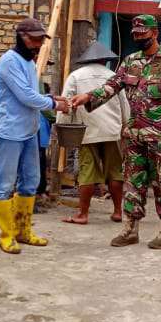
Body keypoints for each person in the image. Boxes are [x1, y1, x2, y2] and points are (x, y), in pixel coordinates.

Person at [71, 14, 161, 250]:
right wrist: (87, 97)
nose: (137, 38)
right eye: (134, 34)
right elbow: (112, 86)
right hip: (134, 136)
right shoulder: (130, 61)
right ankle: (130, 229)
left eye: (142, 34)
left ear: (154, 33)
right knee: (133, 183)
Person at [0, 18, 70, 254]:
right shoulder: (9, 62)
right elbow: (26, 96)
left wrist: (53, 98)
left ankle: (23, 230)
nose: (38, 44)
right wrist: (55, 105)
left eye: (40, 40)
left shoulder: (28, 62)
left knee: (31, 182)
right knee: (4, 185)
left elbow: (34, 93)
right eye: (34, 39)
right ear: (21, 37)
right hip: (9, 132)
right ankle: (6, 235)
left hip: (29, 131)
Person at [59, 42, 129, 225]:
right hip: (112, 131)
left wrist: (62, 126)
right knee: (115, 172)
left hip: (86, 130)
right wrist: (125, 126)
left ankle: (83, 214)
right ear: (105, 60)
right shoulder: (114, 77)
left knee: (87, 172)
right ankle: (117, 212)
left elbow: (66, 104)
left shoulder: (75, 76)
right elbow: (125, 106)